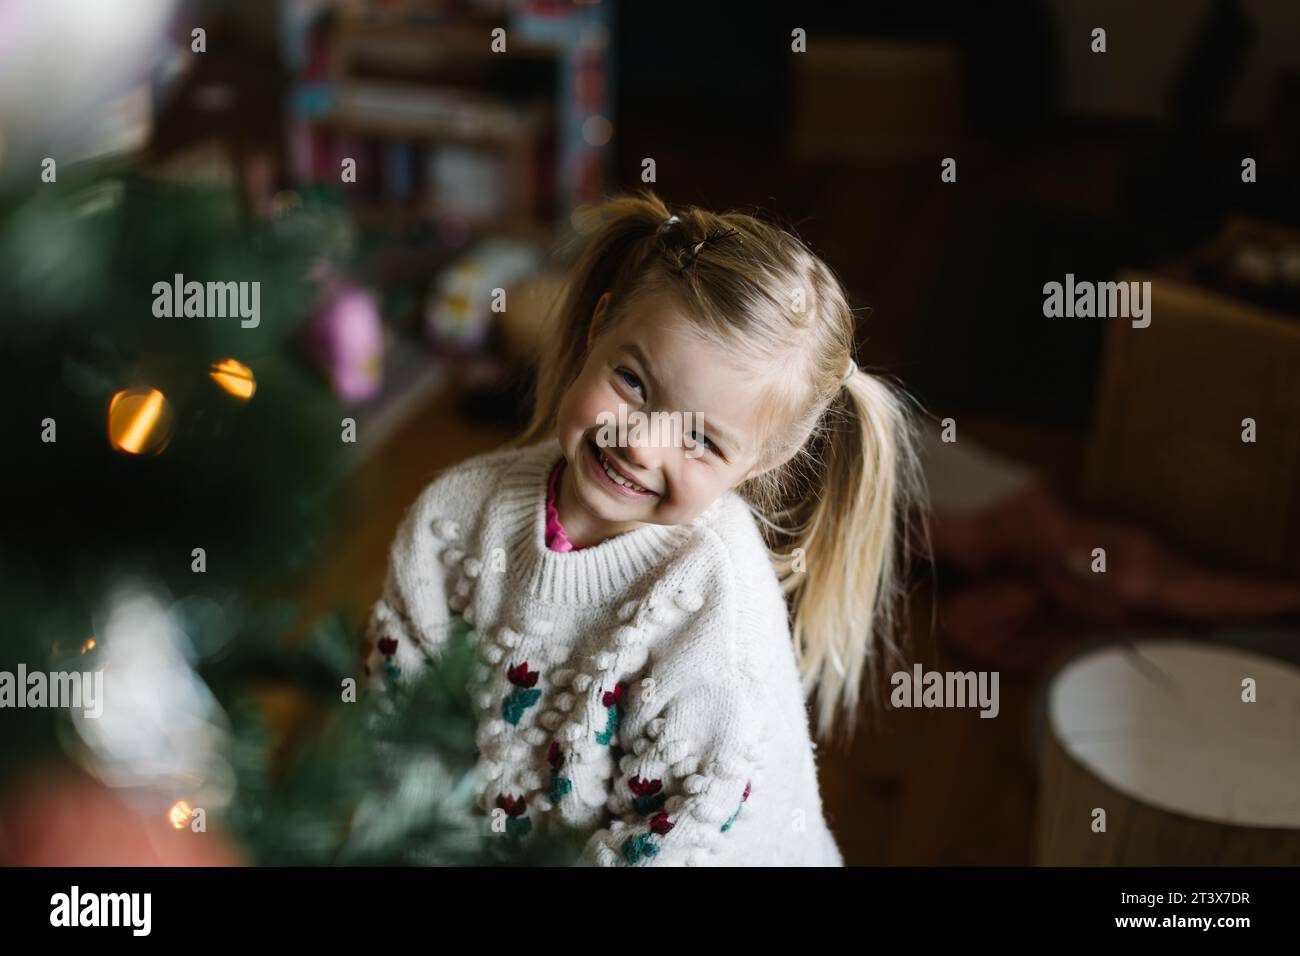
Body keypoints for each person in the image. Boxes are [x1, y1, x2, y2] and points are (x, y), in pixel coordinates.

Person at [365, 189, 926, 865]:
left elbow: (671, 838)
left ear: (762, 459)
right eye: (633, 382)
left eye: (700, 439)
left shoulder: (713, 608)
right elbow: (395, 714)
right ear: (600, 326)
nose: (641, 444)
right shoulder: (456, 515)